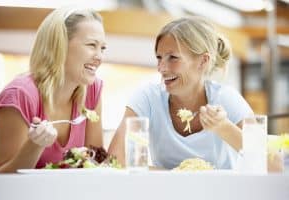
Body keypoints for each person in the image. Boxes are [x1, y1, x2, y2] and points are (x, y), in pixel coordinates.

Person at [108, 16, 254, 170]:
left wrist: (223, 127)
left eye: (173, 58)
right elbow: (115, 160)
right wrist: (179, 176)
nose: (161, 68)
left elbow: (270, 162)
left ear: (203, 61)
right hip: (165, 193)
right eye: (159, 58)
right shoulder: (148, 98)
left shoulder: (226, 98)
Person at [0, 6, 106, 173]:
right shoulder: (19, 96)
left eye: (103, 48)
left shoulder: (92, 90)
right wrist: (35, 145)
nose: (99, 57)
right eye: (91, 45)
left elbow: (96, 164)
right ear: (60, 45)